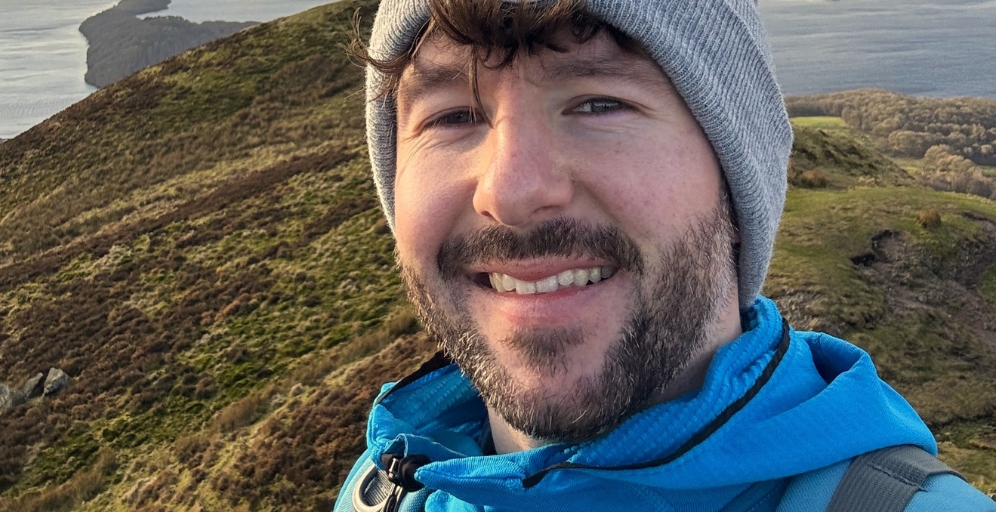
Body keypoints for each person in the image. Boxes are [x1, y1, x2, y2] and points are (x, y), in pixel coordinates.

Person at [334, 0, 995, 510]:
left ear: (737, 191)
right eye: (452, 117)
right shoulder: (385, 484)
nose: (509, 191)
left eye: (599, 102)